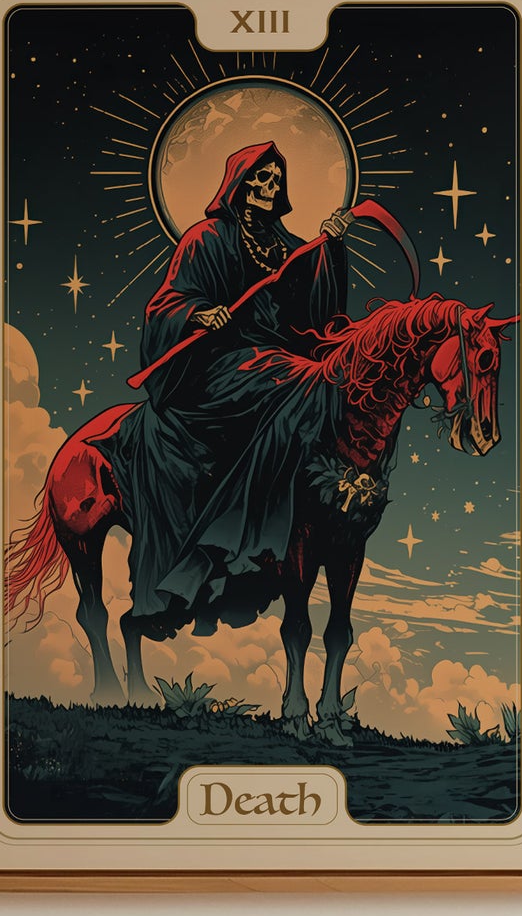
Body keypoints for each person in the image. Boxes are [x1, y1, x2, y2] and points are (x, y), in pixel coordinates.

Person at [111, 142, 351, 659]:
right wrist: (198, 314)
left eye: (275, 179)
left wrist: (329, 250)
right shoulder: (204, 239)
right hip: (214, 368)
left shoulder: (288, 245)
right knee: (297, 380)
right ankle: (218, 548)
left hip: (272, 359)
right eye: (259, 178)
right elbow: (166, 303)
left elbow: (313, 307)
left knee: (307, 380)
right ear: (238, 185)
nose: (269, 187)